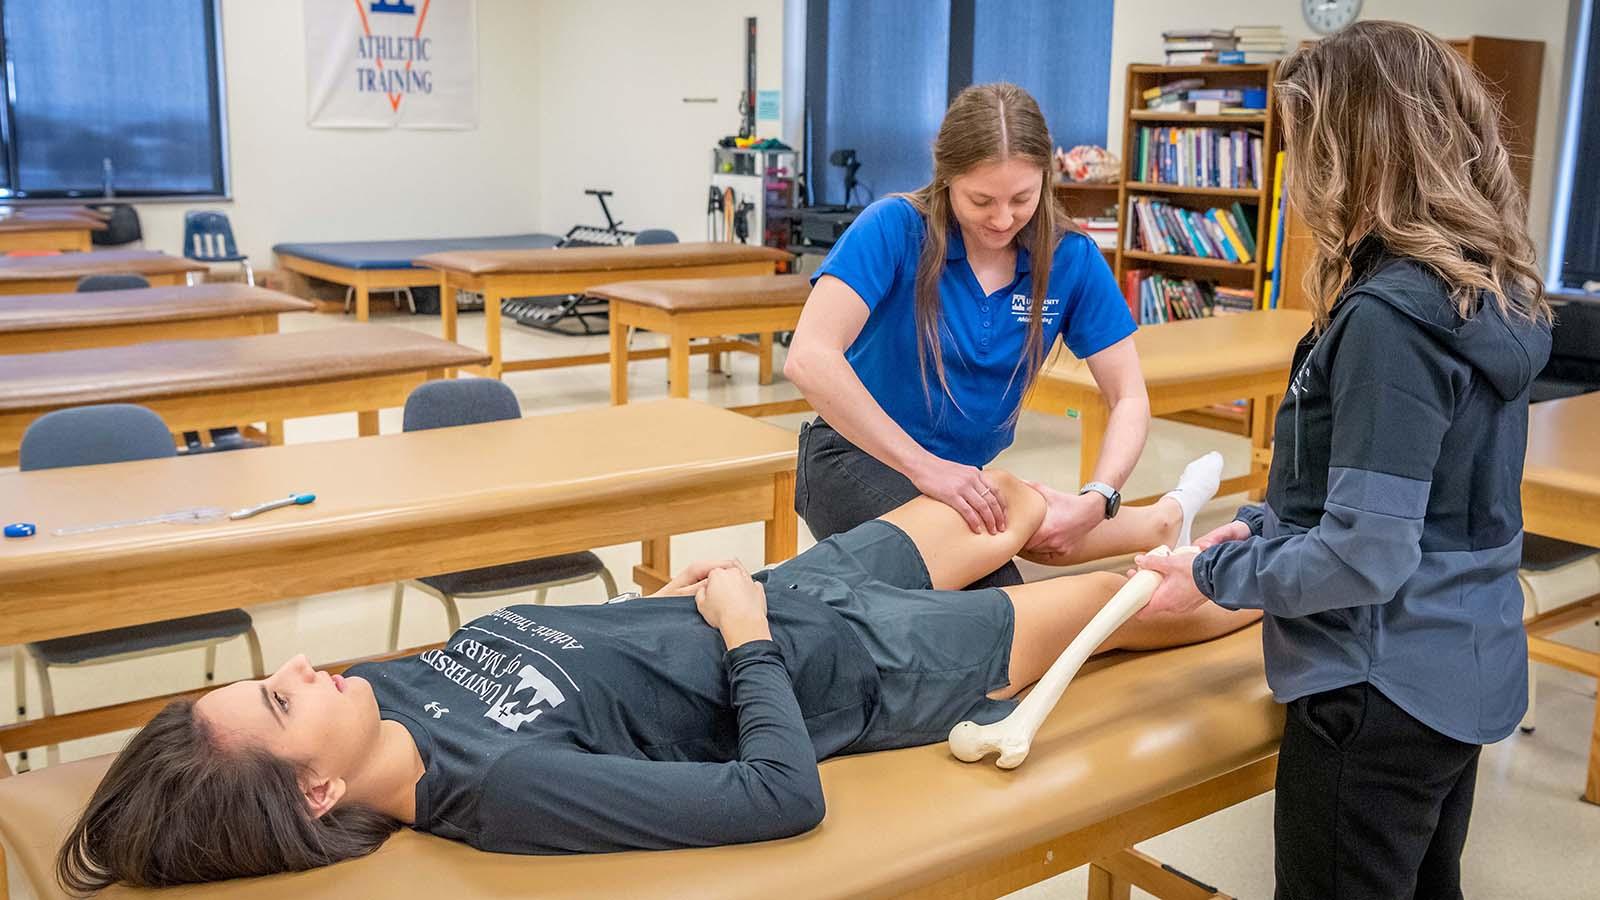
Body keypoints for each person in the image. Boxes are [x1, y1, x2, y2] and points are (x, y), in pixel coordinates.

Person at [57, 468, 1257, 892]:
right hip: (855, 664)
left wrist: (722, 594)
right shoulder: (499, 790)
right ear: (315, 794)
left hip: (799, 584)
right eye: (280, 699)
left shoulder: (390, 695)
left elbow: (606, 649)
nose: (305, 666)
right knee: (1162, 602)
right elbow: (778, 796)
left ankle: (1132, 517)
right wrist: (740, 633)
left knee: (1004, 500)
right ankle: (1277, 562)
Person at [1133, 21, 1553, 900]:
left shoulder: (1390, 321)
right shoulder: (1488, 291)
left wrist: (1223, 573)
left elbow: (1368, 551)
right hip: (1461, 667)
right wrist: (1253, 529)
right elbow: (1412, 496)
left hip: (1376, 690)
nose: (1299, 180)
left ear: (1355, 151)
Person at [786, 82, 1154, 588]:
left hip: (958, 479)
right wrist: (923, 468)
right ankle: (1161, 520)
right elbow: (808, 357)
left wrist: (1099, 496)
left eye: (1023, 198)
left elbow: (1129, 396)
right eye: (981, 200)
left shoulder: (1071, 257)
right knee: (993, 601)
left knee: (1010, 569)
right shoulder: (894, 227)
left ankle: (1162, 519)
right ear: (946, 177)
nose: (1003, 219)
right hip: (852, 458)